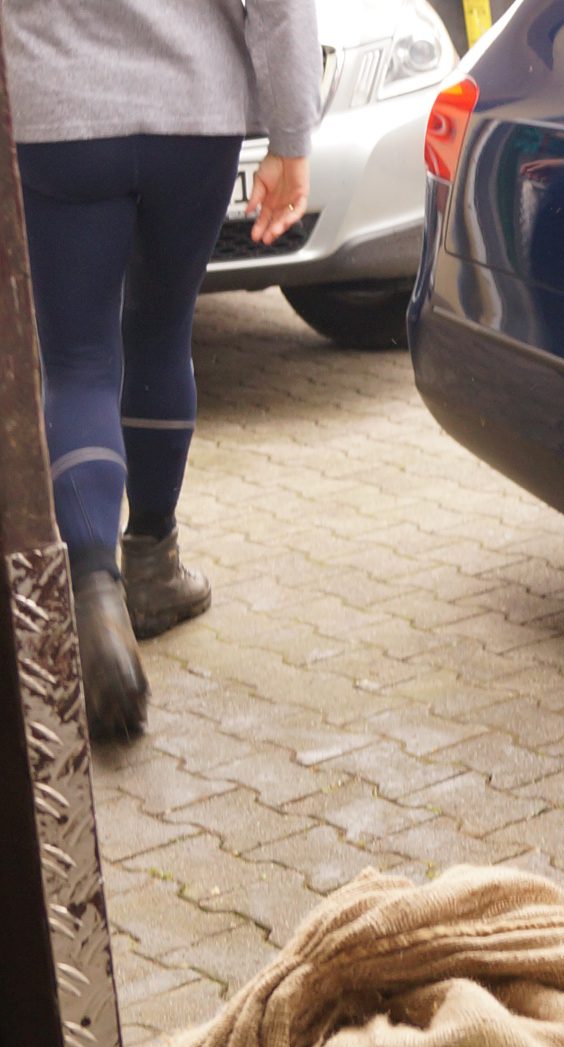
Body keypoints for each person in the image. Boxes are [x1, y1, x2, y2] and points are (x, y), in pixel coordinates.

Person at [2, 0, 322, 742]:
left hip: (59, 106)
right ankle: (151, 566)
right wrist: (291, 136)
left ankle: (94, 590)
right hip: (193, 110)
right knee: (161, 330)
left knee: (78, 362)